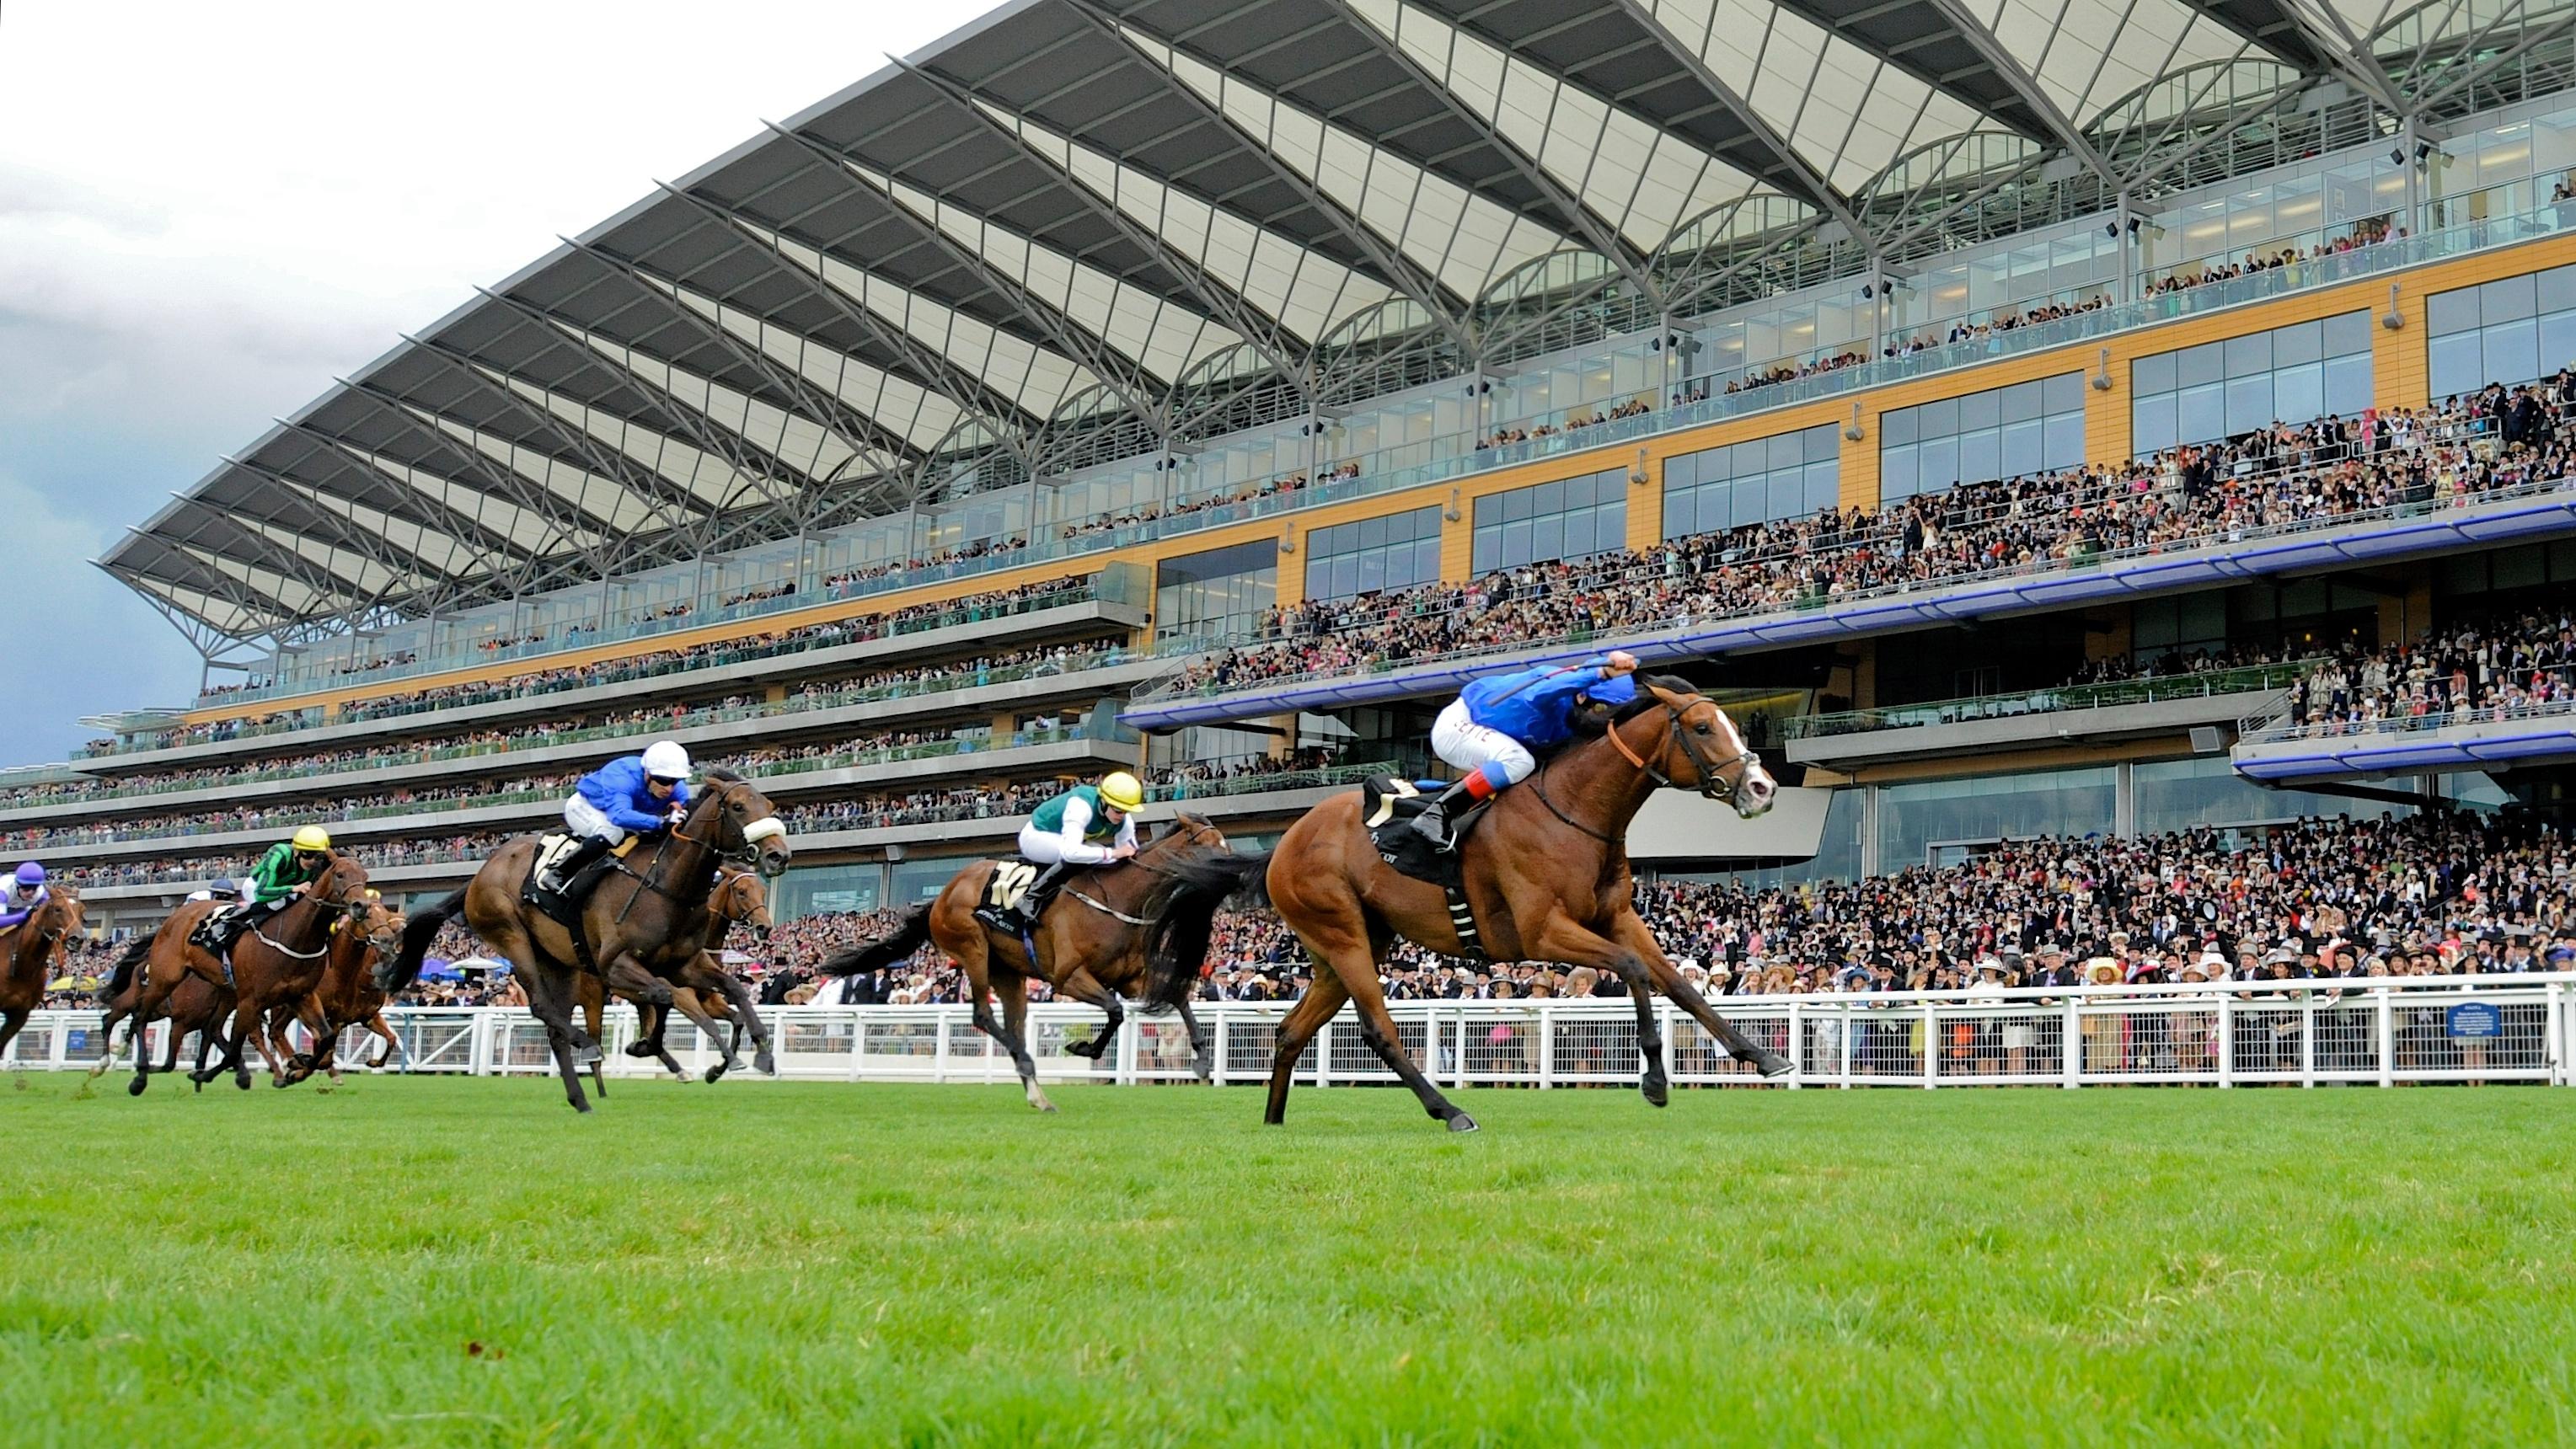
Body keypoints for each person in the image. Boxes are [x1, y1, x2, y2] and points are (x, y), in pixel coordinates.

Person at [1408, 650, 1642, 851]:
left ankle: (1432, 791)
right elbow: (1546, 689)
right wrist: (1602, 673)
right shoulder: (1550, 686)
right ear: (1581, 696)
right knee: (1518, 762)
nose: (1606, 718)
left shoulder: (1574, 717)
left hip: (1498, 732)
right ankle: (1436, 814)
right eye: (1603, 708)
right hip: (1460, 723)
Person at [985, 771, 1143, 932]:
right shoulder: (1081, 807)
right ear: (1103, 801)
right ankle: (1031, 897)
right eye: (1118, 810)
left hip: (1066, 838)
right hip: (1036, 836)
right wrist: (1113, 853)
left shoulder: (1125, 821)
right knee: (1088, 856)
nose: (1122, 816)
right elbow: (1070, 853)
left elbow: (1130, 855)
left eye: (1126, 811)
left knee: (1106, 858)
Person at [541, 741, 693, 895]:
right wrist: (660, 822)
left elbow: (686, 811)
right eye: (664, 781)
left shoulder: (676, 787)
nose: (669, 788)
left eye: (674, 781)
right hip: (586, 807)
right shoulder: (622, 777)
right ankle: (558, 873)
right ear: (647, 773)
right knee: (612, 832)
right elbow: (619, 816)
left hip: (625, 813)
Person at [201, 827, 335, 954]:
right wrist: (293, 889)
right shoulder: (279, 854)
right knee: (277, 905)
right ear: (296, 851)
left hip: (285, 890)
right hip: (257, 887)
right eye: (308, 854)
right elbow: (261, 893)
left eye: (318, 856)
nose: (312, 861)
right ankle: (227, 924)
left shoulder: (317, 867)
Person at [0, 862, 48, 932]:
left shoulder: (41, 892)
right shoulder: (3, 890)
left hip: (20, 909)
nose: (30, 892)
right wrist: (24, 915)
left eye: (34, 888)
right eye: (26, 887)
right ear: (17, 884)